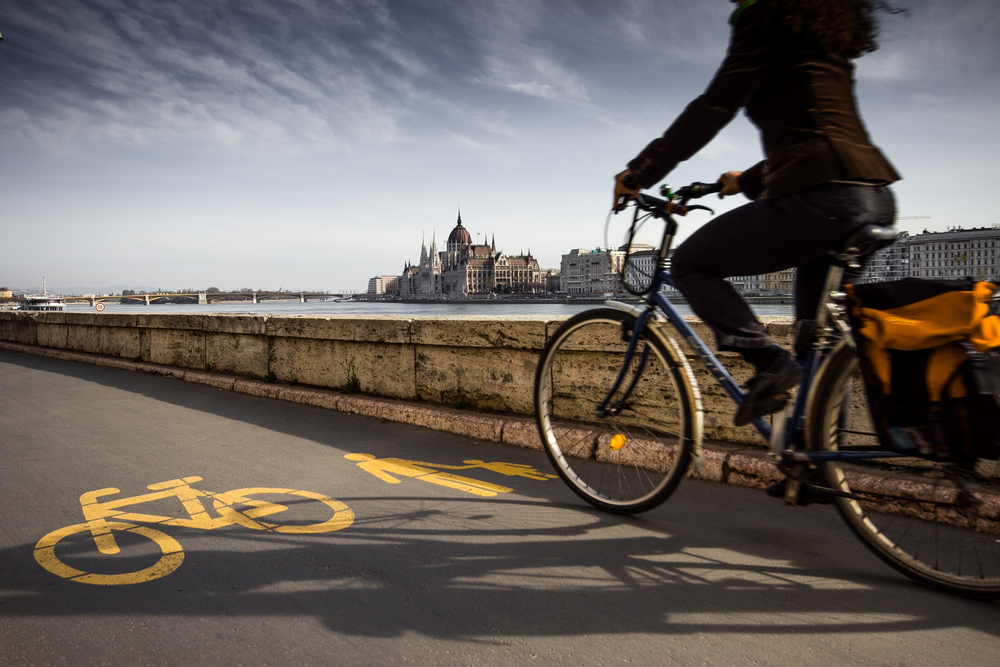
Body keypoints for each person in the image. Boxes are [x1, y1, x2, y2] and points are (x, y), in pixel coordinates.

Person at [614, 0, 901, 426]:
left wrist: (641, 172)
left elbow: (715, 106)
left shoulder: (764, 17)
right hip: (871, 194)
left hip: (818, 201)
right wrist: (745, 182)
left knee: (691, 264)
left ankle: (767, 361)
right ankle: (814, 464)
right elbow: (819, 131)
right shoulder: (822, 30)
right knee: (813, 342)